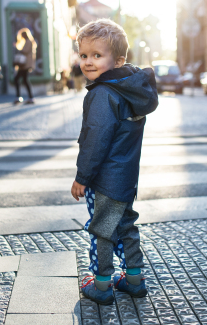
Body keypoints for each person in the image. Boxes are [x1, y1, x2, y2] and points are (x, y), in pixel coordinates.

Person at [70, 19, 159, 305]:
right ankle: (134, 279)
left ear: (118, 59)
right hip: (126, 177)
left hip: (105, 178)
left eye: (97, 55)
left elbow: (96, 138)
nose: (88, 62)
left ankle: (102, 285)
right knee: (125, 227)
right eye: (84, 55)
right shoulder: (129, 90)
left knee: (102, 230)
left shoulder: (102, 94)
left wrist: (82, 176)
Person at [12, 28, 36, 105]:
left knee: (19, 79)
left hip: (25, 65)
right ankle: (28, 97)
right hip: (24, 65)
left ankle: (26, 97)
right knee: (23, 80)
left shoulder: (29, 42)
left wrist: (17, 47)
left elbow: (25, 51)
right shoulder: (28, 41)